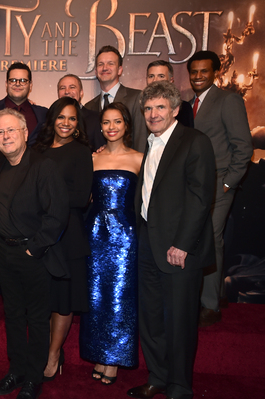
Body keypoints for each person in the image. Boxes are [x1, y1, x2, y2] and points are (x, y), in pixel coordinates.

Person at [127, 81, 216, 399]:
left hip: (179, 249)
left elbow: (200, 198)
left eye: (160, 107)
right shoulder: (150, 144)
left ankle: (179, 386)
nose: (153, 113)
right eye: (148, 108)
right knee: (150, 317)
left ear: (175, 109)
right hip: (148, 244)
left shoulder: (194, 141)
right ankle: (158, 377)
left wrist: (183, 244)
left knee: (179, 320)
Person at [0, 108, 69, 399]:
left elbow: (57, 214)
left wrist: (33, 249)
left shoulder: (42, 166)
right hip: (5, 254)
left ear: (25, 132)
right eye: (0, 131)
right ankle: (16, 371)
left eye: (11, 130)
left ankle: (34, 377)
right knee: (12, 316)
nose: (5, 136)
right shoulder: (1, 166)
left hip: (33, 254)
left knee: (36, 319)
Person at [186, 51, 253, 327]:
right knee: (200, 239)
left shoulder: (228, 100)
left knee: (211, 238)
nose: (198, 76)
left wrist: (228, 183)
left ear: (214, 73)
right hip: (193, 185)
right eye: (194, 71)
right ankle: (216, 293)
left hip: (219, 183)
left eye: (204, 71)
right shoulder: (188, 105)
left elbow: (243, 146)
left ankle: (210, 306)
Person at [79, 102, 143, 385]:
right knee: (95, 296)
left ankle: (114, 358)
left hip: (125, 236)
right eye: (106, 122)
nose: (112, 127)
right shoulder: (92, 159)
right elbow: (85, 197)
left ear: (126, 125)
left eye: (117, 121)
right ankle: (98, 353)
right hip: (94, 232)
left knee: (119, 296)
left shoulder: (141, 158)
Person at [32, 97, 92, 382]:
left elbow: (81, 198)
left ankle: (54, 354)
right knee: (43, 298)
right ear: (52, 119)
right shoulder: (38, 150)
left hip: (69, 234)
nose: (66, 123)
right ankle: (44, 350)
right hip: (40, 233)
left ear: (77, 123)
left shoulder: (81, 152)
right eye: (61, 117)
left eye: (72, 118)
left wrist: (45, 198)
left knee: (64, 300)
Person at [85, 45, 148, 152]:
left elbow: (141, 138)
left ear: (119, 70)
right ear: (96, 71)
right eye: (101, 64)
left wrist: (139, 166)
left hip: (129, 166)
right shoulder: (89, 106)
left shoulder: (136, 97)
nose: (105, 68)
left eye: (110, 63)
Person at [0, 62, 48, 149]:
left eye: (23, 81)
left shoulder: (43, 114)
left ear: (30, 85)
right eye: (13, 80)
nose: (17, 84)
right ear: (6, 84)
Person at [56, 74, 104, 151]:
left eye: (72, 87)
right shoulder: (51, 118)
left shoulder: (95, 118)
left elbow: (101, 151)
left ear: (81, 92)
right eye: (62, 88)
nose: (67, 91)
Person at [145, 60, 193, 128]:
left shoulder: (184, 108)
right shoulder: (138, 106)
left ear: (171, 80)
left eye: (161, 76)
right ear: (146, 79)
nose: (155, 80)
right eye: (151, 76)